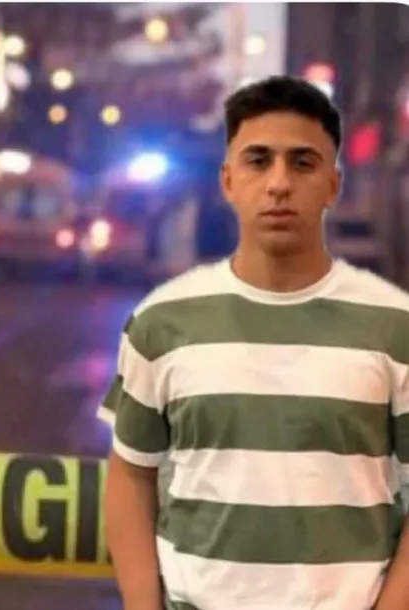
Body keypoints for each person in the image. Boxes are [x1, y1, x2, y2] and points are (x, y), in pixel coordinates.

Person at [103, 75, 409, 610]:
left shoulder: (395, 327)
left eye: (303, 163)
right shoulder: (161, 322)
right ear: (228, 180)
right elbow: (131, 475)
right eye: (258, 160)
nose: (279, 184)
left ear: (333, 184)